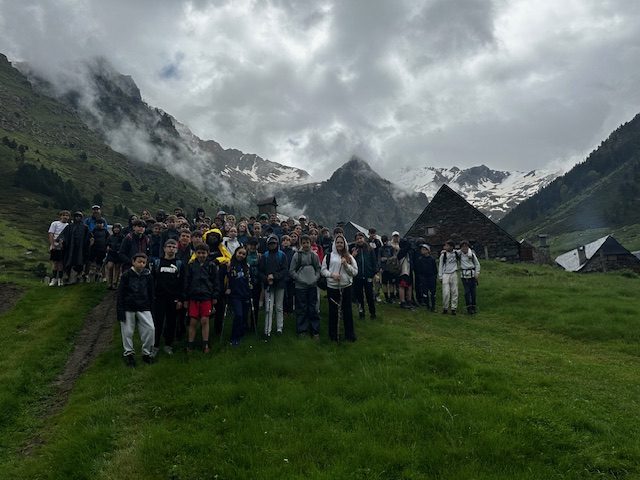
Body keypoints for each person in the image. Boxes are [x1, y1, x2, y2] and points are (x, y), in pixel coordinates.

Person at [117, 252, 155, 367]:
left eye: (144, 262)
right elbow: (121, 294)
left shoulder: (148, 275)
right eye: (139, 262)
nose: (141, 264)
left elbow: (151, 292)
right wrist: (120, 311)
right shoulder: (126, 275)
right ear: (133, 262)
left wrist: (151, 307)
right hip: (128, 307)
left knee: (150, 329)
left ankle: (146, 353)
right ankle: (129, 354)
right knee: (127, 332)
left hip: (144, 306)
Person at [321, 234, 358, 342]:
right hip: (332, 288)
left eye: (341, 242)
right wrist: (332, 275)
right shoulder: (328, 256)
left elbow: (355, 272)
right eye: (337, 242)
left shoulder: (349, 257)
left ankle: (349, 335)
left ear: (344, 244)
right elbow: (323, 270)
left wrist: (346, 265)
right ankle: (333, 336)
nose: (339, 244)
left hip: (346, 287)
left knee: (347, 311)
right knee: (333, 312)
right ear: (334, 244)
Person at [151, 239, 185, 357]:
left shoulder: (179, 264)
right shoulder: (157, 262)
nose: (171, 248)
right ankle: (154, 346)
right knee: (157, 323)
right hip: (159, 298)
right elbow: (152, 280)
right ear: (164, 248)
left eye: (173, 247)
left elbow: (182, 283)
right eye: (169, 246)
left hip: (173, 298)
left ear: (177, 249)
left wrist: (180, 299)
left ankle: (168, 345)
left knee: (171, 322)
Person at [184, 244, 219, 353]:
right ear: (195, 253)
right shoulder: (191, 265)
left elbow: (216, 282)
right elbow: (186, 282)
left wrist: (215, 296)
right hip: (193, 297)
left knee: (205, 320)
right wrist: (185, 298)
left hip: (206, 296)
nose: (201, 255)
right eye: (198, 252)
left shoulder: (212, 265)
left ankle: (205, 344)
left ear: (207, 253)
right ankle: (190, 344)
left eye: (203, 253)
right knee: (193, 321)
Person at [289, 235, 321, 338]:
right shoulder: (296, 256)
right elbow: (292, 271)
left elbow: (318, 269)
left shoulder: (314, 255)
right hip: (300, 287)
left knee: (313, 308)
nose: (306, 244)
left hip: (312, 286)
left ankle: (315, 330)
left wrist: (315, 279)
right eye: (303, 243)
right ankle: (302, 330)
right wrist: (300, 279)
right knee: (301, 308)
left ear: (310, 243)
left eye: (307, 242)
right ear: (300, 244)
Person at [258, 234, 288, 339]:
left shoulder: (282, 255)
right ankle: (267, 330)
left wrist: (274, 277)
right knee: (268, 308)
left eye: (274, 243)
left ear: (277, 244)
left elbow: (285, 270)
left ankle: (279, 328)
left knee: (279, 307)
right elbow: (260, 271)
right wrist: (266, 278)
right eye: (270, 244)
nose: (272, 245)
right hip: (268, 285)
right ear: (268, 245)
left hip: (279, 284)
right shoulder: (265, 256)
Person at [225, 246, 252, 346]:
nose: (241, 255)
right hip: (235, 294)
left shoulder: (246, 266)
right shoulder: (230, 264)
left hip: (245, 293)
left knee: (244, 316)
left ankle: (241, 334)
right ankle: (234, 337)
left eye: (244, 254)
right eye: (239, 253)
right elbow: (227, 278)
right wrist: (227, 288)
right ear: (236, 253)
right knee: (238, 315)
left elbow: (249, 280)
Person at [351, 232, 378, 319]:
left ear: (364, 238)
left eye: (361, 238)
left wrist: (375, 273)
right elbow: (350, 263)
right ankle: (361, 313)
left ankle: (372, 313)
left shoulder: (370, 249)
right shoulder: (354, 249)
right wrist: (353, 256)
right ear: (355, 240)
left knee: (370, 295)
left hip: (368, 276)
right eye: (358, 239)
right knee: (359, 297)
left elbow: (374, 262)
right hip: (357, 277)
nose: (359, 240)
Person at [62, 211, 91, 284]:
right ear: (74, 217)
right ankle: (67, 277)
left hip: (81, 248)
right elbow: (63, 236)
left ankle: (78, 276)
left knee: (80, 261)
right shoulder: (69, 226)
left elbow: (89, 237)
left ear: (81, 218)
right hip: (70, 248)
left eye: (79, 217)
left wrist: (90, 242)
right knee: (69, 261)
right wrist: (62, 241)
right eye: (76, 216)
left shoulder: (85, 227)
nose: (78, 218)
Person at [47, 210, 70, 286]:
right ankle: (54, 279)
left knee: (61, 263)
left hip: (63, 247)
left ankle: (60, 279)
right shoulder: (55, 223)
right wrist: (52, 245)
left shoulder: (68, 225)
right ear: (60, 216)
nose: (65, 217)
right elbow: (51, 234)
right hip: (55, 246)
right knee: (55, 262)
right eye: (64, 215)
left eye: (67, 215)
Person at [459, 240, 481, 314]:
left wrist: (477, 273)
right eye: (463, 246)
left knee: (473, 292)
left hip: (472, 275)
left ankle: (473, 307)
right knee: (467, 292)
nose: (464, 248)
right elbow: (451, 252)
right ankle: (469, 308)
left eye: (466, 246)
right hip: (464, 276)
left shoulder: (471, 254)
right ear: (461, 247)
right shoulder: (459, 254)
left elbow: (477, 264)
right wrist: (443, 251)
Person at [414, 244, 437, 311]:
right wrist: (421, 277)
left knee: (433, 292)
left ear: (428, 251)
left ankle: (433, 306)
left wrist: (434, 276)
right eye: (421, 249)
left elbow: (435, 269)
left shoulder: (432, 259)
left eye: (424, 249)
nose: (422, 251)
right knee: (425, 292)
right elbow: (419, 269)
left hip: (431, 277)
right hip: (423, 277)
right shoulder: (420, 259)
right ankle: (427, 306)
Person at [439, 240, 459, 315]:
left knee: (454, 291)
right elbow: (440, 265)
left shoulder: (456, 253)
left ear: (451, 246)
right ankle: (445, 308)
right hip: (445, 274)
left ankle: (454, 308)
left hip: (454, 273)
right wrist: (440, 276)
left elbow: (465, 251)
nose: (445, 247)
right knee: (446, 292)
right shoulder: (443, 255)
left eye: (447, 246)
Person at [88, 218, 109, 282]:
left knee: (101, 264)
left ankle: (103, 277)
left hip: (102, 250)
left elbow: (108, 239)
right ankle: (90, 277)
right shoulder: (93, 231)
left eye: (101, 223)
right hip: (94, 249)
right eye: (98, 223)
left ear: (103, 224)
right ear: (95, 224)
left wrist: (107, 246)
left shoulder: (105, 231)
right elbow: (90, 239)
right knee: (92, 263)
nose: (99, 224)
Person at [105, 223, 125, 290]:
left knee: (117, 269)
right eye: (115, 228)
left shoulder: (122, 237)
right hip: (111, 254)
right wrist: (107, 247)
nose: (116, 229)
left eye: (117, 228)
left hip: (118, 254)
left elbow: (124, 245)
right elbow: (107, 244)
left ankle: (114, 283)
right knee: (110, 267)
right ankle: (109, 282)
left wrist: (120, 250)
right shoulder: (110, 237)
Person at [397, 238, 414, 309]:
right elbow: (408, 246)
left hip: (407, 271)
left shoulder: (404, 251)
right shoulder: (402, 252)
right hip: (403, 272)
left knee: (409, 286)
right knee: (402, 286)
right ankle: (403, 301)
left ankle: (408, 301)